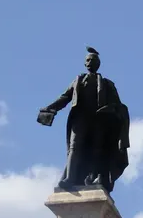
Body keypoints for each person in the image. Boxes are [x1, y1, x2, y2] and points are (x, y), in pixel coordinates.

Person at [39, 47, 131, 192]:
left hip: (99, 121)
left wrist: (109, 109)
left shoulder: (107, 84)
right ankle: (70, 178)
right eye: (87, 60)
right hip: (80, 120)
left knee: (98, 150)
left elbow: (118, 105)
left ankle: (95, 178)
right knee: (74, 148)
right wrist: (50, 108)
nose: (90, 62)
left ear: (98, 64)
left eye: (93, 60)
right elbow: (65, 97)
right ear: (84, 63)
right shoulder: (78, 80)